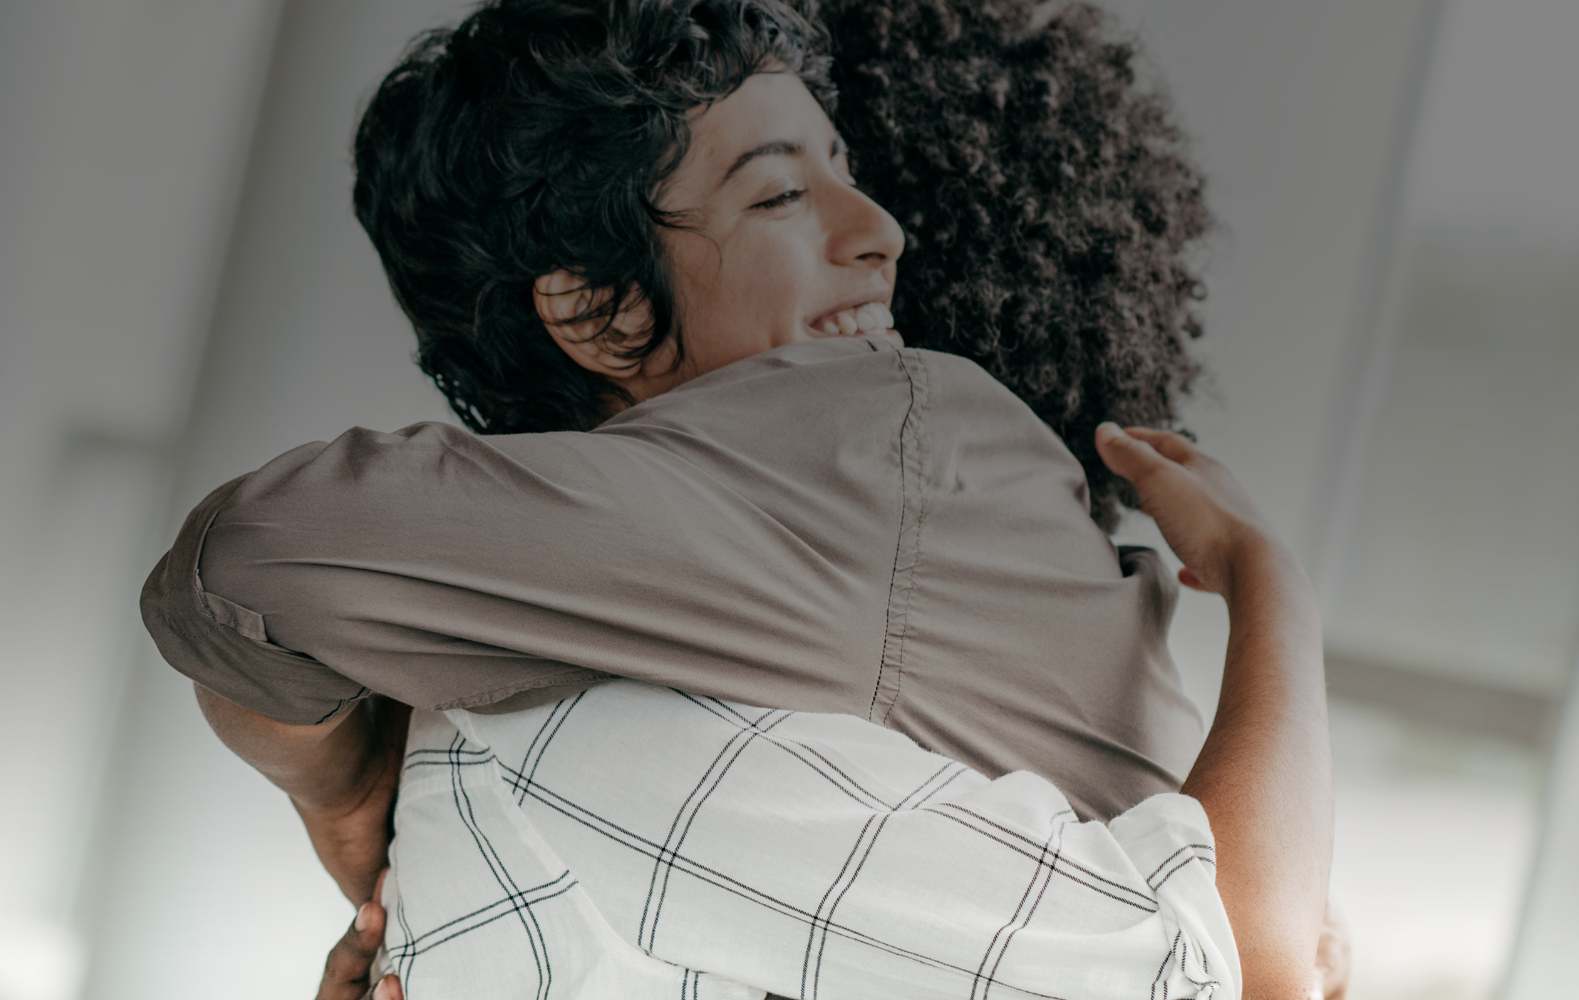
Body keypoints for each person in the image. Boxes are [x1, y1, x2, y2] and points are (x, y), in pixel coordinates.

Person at [137, 0, 1347, 996]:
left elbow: (238, 576)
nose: (881, 232)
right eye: (780, 195)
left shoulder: (886, 435)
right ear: (597, 311)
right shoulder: (842, 473)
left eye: (846, 176)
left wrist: (353, 791)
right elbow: (246, 566)